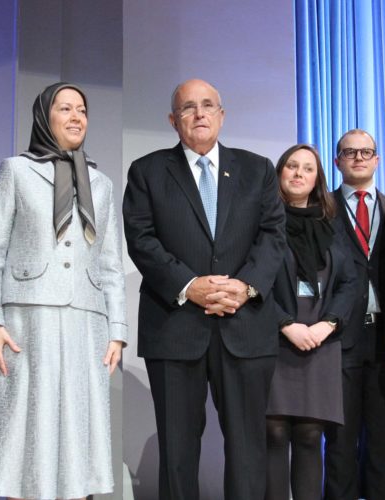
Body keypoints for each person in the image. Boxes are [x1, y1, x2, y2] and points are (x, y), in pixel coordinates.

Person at [122, 78, 286, 500]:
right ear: (173, 119)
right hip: (174, 327)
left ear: (222, 115)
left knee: (249, 448)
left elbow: (272, 236)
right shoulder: (147, 171)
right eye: (189, 107)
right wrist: (189, 285)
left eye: (208, 105)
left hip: (245, 326)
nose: (199, 114)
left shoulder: (258, 168)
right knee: (177, 450)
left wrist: (245, 286)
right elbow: (142, 240)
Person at [0, 82, 127, 500]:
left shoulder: (101, 183)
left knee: (78, 421)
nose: (75, 117)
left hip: (86, 318)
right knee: (25, 421)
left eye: (82, 110)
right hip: (26, 316)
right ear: (44, 117)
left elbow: (110, 261)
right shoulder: (16, 170)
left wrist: (117, 329)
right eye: (65, 108)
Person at [265, 144, 357, 500]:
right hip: (275, 338)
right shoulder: (261, 222)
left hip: (321, 340)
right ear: (280, 172)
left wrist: (328, 324)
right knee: (272, 433)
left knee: (309, 435)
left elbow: (350, 281)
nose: (299, 174)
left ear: (317, 179)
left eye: (308, 168)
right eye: (292, 165)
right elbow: (250, 280)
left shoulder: (331, 224)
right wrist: (285, 324)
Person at [323, 130, 385, 500]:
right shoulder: (320, 210)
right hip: (337, 338)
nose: (358, 157)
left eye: (366, 152)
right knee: (340, 444)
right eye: (349, 152)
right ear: (337, 160)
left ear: (377, 160)